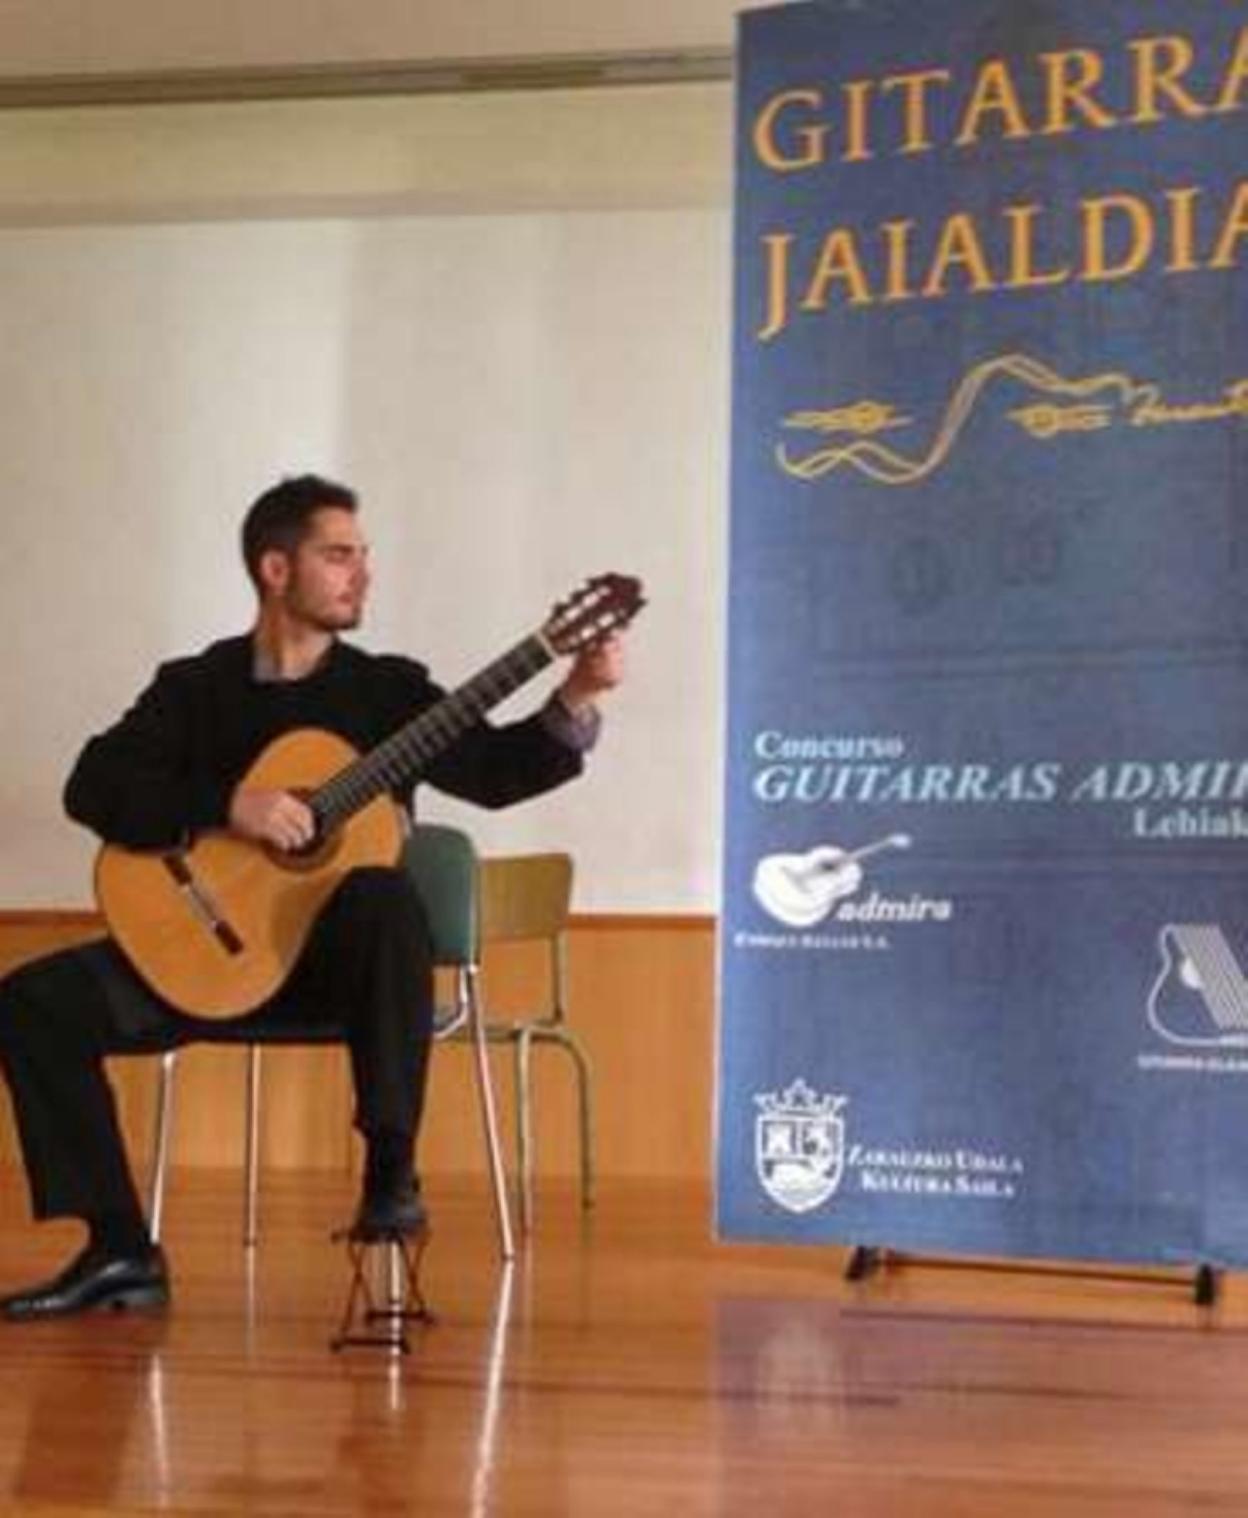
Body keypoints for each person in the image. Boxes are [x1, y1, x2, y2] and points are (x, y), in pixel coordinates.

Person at [0, 474, 624, 1320]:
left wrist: (577, 693)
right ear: (275, 568)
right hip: (207, 960)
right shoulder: (196, 687)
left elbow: (495, 773)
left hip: (343, 976)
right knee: (31, 1005)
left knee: (380, 892)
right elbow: (93, 786)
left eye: (365, 557)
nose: (362, 574)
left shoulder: (388, 694)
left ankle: (390, 1173)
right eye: (339, 555)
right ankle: (119, 1248)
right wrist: (230, 805)